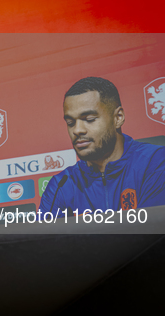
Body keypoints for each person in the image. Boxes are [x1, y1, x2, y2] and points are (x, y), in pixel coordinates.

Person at [38, 77, 165, 217]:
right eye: (70, 122)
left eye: (89, 119)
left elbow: (151, 234)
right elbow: (41, 239)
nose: (77, 130)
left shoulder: (156, 163)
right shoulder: (61, 185)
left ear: (118, 118)